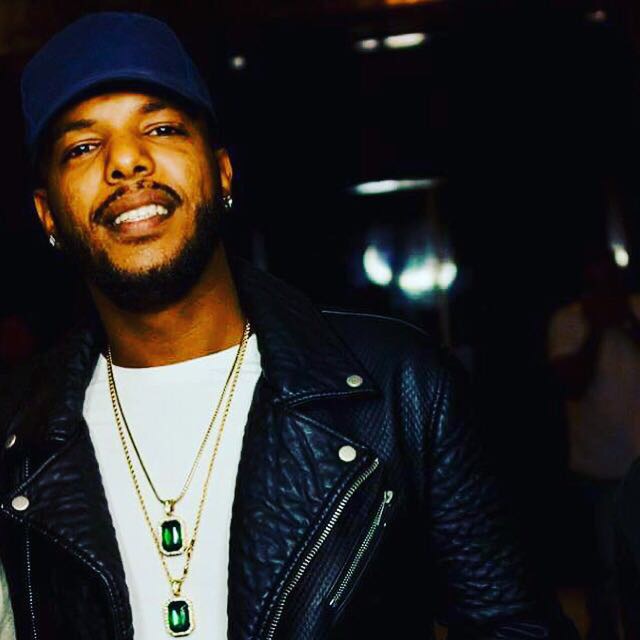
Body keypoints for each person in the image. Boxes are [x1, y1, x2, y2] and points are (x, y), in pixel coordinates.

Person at [0, 12, 576, 640]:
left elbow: (514, 626)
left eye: (161, 128)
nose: (126, 161)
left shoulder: (397, 388)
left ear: (222, 172)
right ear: (47, 214)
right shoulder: (16, 435)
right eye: (83, 147)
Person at [548, 247, 640, 640]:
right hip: (597, 465)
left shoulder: (635, 312)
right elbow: (571, 383)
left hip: (638, 462)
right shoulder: (569, 320)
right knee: (605, 569)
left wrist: (627, 323)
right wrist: (598, 328)